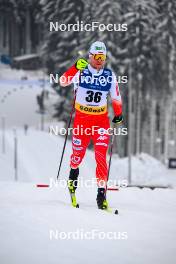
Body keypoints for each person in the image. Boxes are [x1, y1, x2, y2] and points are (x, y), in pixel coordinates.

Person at [59, 41, 123, 210]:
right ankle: (72, 179)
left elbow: (116, 96)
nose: (100, 60)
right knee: (77, 157)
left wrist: (118, 113)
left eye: (103, 57)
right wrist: (74, 67)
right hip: (82, 120)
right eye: (97, 57)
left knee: (101, 156)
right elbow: (63, 81)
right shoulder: (80, 71)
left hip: (101, 121)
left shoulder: (109, 75)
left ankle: (101, 194)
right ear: (90, 56)